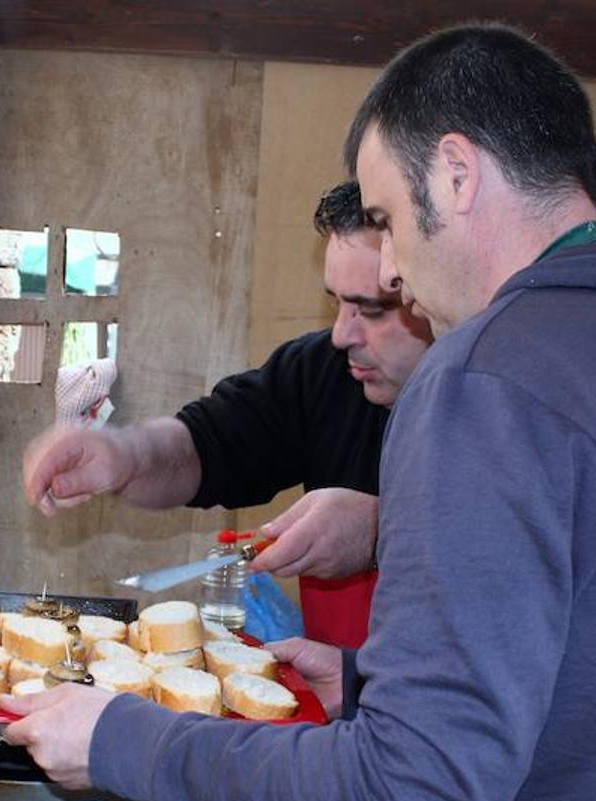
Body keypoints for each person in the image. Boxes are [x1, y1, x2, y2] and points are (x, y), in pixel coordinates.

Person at [2, 23, 596, 801]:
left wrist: (127, 741)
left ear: (457, 175)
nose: (391, 267)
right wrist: (368, 685)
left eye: (386, 221)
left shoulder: (496, 373)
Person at [23, 181, 432, 647]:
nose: (341, 334)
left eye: (372, 310)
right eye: (337, 302)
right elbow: (209, 444)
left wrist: (381, 532)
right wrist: (126, 454)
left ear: (433, 291)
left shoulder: (500, 405)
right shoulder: (322, 372)